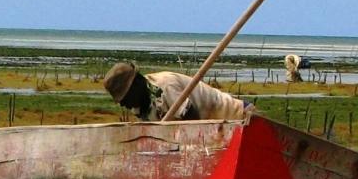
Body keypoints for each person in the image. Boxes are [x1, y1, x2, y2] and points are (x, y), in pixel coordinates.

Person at [102, 62, 251, 122]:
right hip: (217, 127)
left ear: (136, 85)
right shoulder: (138, 107)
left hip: (238, 116)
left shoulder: (166, 86)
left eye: (125, 96)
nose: (123, 103)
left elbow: (192, 122)